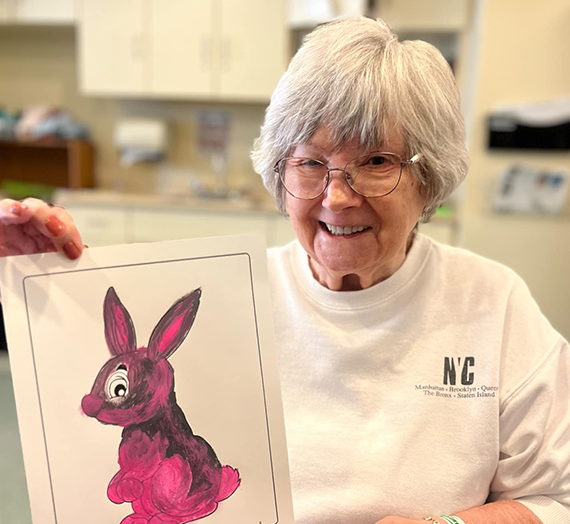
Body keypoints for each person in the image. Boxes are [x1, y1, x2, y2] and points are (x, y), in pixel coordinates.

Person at [0, 17, 568, 524]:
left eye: (375, 161)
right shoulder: (231, 296)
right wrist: (37, 278)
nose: (337, 197)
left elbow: (556, 497)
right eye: (311, 162)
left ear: (430, 177)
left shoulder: (493, 304)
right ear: (280, 171)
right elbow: (97, 397)